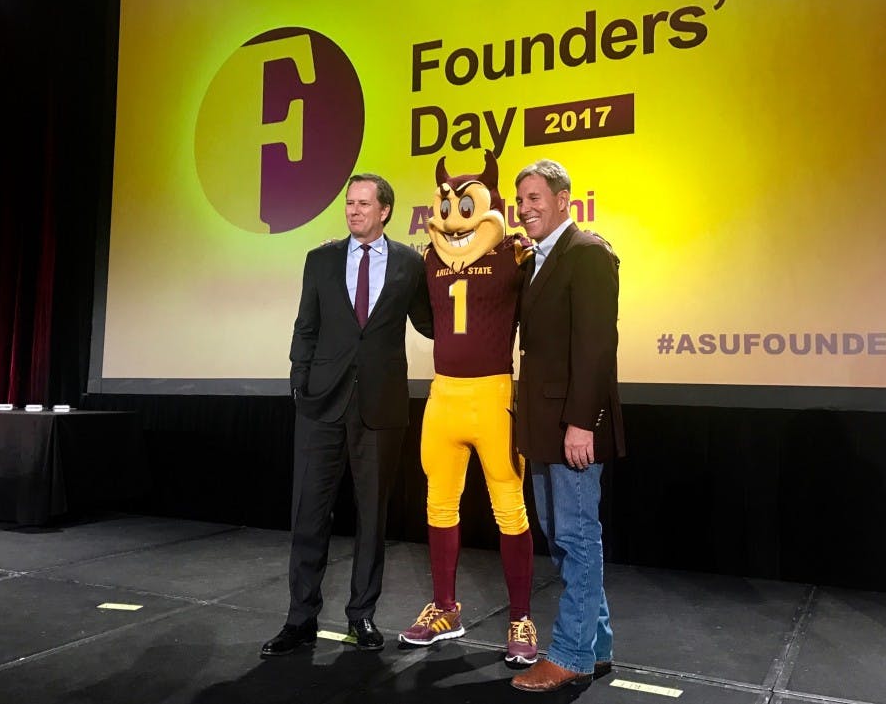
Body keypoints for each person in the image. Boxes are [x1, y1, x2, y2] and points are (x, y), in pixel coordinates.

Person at [261, 173, 433, 656]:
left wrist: (464, 275)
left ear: (385, 211)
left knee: (372, 518)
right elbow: (306, 326)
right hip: (321, 404)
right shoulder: (320, 259)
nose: (354, 210)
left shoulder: (410, 263)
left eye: (363, 204)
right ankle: (300, 619)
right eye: (349, 203)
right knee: (309, 514)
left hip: (380, 407)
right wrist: (300, 381)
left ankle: (362, 617)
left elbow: (430, 323)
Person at [398, 151, 538, 666]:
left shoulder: (514, 255)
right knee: (438, 505)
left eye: (465, 208)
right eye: (446, 209)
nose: (454, 220)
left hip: (493, 397)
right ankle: (444, 609)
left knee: (510, 508)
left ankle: (521, 616)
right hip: (444, 398)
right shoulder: (429, 259)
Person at [507, 160, 624, 692]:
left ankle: (572, 654)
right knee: (561, 537)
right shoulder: (537, 258)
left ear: (563, 201)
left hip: (572, 427)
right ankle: (595, 645)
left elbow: (597, 348)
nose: (524, 208)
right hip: (543, 425)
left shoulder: (588, 253)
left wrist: (582, 423)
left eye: (534, 198)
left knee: (576, 538)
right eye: (519, 200)